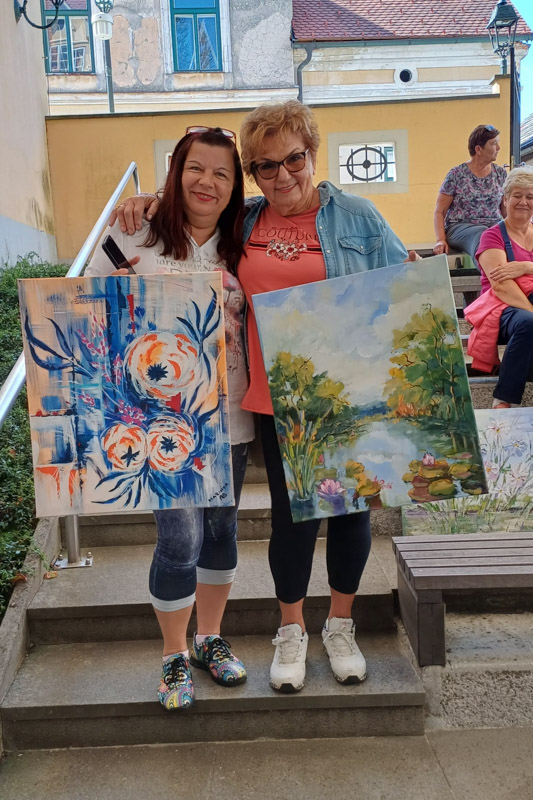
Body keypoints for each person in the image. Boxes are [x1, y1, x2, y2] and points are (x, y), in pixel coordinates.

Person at [114, 100, 415, 694]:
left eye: (293, 159)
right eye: (265, 166)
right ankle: (291, 631)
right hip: (276, 400)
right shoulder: (244, 221)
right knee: (292, 519)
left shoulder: (357, 216)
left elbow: (401, 289)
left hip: (347, 395)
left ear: (313, 153)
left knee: (352, 515)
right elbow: (193, 209)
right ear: (252, 174)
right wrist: (148, 199)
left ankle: (341, 626)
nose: (282, 175)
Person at [86, 127, 255, 710]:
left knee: (221, 532)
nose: (207, 182)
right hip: (160, 422)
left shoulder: (245, 241)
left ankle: (209, 639)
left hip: (231, 414)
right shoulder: (134, 233)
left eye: (222, 173)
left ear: (235, 188)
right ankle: (174, 655)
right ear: (175, 173)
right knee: (180, 538)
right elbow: (89, 304)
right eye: (195, 169)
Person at [464, 166, 533, 409]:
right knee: (528, 322)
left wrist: (526, 266)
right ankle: (503, 399)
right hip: (503, 310)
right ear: (505, 200)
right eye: (517, 195)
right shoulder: (492, 236)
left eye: (530, 196)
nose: (523, 202)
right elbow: (502, 287)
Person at [433, 125, 506, 264]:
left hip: (494, 226)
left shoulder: (500, 174)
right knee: (484, 234)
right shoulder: (457, 174)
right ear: (478, 149)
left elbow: (506, 210)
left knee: (504, 237)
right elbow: (439, 211)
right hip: (461, 228)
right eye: (494, 143)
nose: (498, 148)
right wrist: (440, 240)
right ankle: (492, 274)